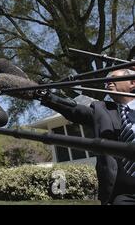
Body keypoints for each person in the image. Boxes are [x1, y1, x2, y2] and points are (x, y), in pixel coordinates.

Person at [41, 68, 135, 205]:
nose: (107, 83)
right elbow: (74, 110)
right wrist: (46, 95)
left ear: (133, 82)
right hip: (125, 194)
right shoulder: (103, 110)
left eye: (113, 78)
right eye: (105, 81)